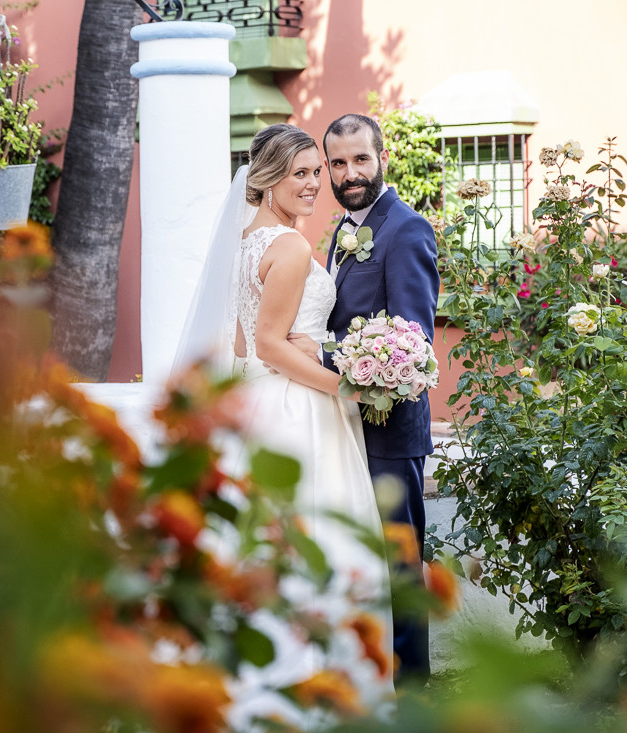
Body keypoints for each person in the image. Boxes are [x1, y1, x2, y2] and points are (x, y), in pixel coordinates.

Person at [173, 123, 394, 729]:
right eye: (300, 173)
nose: (313, 184)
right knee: (317, 540)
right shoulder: (292, 247)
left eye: (315, 173)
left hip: (257, 406)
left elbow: (251, 341)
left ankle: (251, 685)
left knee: (266, 546)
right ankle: (313, 688)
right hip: (297, 409)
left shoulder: (249, 240)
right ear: (267, 179)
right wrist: (347, 384)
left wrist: (316, 349)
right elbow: (271, 344)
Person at [290, 113, 440, 682]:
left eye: (360, 159)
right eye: (338, 163)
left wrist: (319, 357)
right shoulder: (343, 229)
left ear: (381, 157)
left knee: (400, 565)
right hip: (350, 421)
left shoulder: (406, 230)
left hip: (391, 431)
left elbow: (411, 343)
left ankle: (415, 691)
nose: (349, 173)